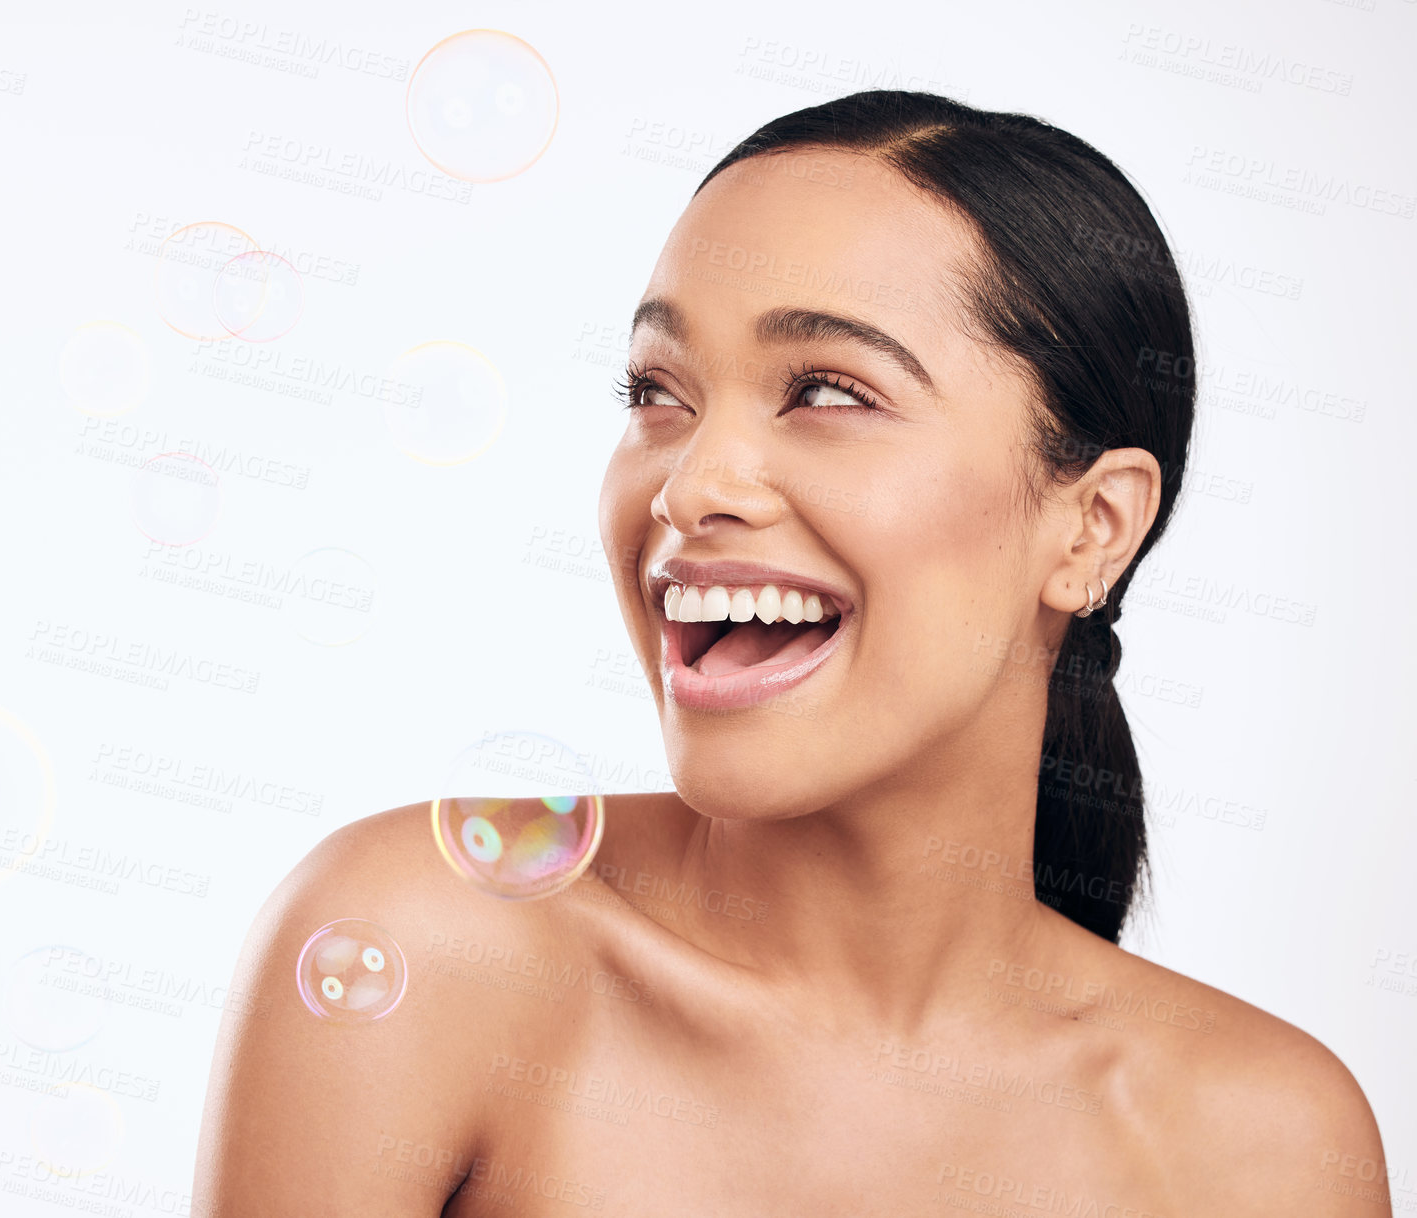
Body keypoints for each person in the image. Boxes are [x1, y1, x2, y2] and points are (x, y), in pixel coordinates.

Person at [193, 90, 1390, 1216]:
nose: (691, 485)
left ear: (1089, 529)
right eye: (656, 390)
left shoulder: (1261, 1144)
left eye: (825, 390)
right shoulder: (434, 949)